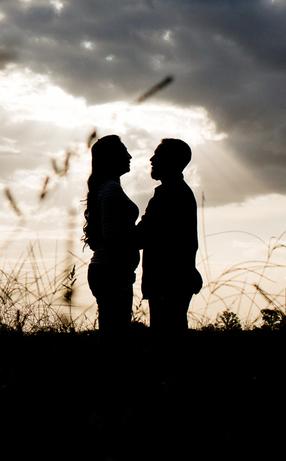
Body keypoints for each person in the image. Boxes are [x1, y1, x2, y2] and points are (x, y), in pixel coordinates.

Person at [135, 138, 202, 332]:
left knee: (166, 345)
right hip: (173, 282)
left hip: (168, 283)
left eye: (158, 155)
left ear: (171, 160)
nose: (151, 159)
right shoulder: (176, 192)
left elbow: (143, 236)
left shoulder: (169, 195)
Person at [82, 135, 139, 333]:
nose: (129, 156)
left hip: (108, 270)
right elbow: (111, 235)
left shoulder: (107, 188)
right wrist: (141, 235)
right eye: (124, 152)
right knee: (115, 335)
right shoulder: (111, 189)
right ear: (112, 158)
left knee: (112, 333)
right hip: (111, 271)